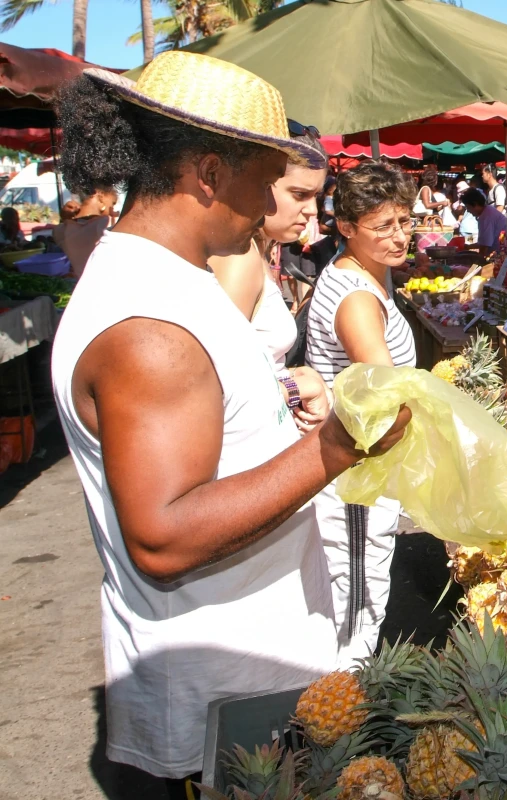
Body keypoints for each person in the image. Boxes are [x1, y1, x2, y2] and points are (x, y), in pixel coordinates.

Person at [50, 51, 410, 792]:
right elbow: (163, 536)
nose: (273, 201)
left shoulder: (176, 284)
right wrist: (335, 448)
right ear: (210, 174)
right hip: (222, 698)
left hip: (250, 676)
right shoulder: (151, 325)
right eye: (266, 177)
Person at [306, 161, 418, 663]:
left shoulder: (365, 276)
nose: (400, 236)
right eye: (383, 226)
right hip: (355, 481)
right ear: (347, 227)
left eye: (405, 221)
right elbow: (384, 393)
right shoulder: (356, 299)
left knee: (362, 589)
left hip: (365, 472)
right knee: (356, 599)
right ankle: (342, 694)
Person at [211, 121, 328, 384]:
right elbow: (219, 381)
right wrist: (294, 389)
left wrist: (291, 376)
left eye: (316, 196)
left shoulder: (254, 252)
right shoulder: (239, 260)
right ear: (262, 183)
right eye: (299, 194)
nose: (312, 210)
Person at [52, 186, 117, 276]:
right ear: (100, 196)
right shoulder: (106, 223)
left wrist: (65, 219)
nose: (112, 208)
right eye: (113, 203)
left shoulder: (60, 230)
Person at [461, 187, 507, 259]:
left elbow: (484, 246)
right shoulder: (487, 212)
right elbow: (484, 242)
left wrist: (478, 261)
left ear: (475, 204)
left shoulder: (487, 216)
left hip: (506, 258)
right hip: (502, 255)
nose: (468, 211)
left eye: (468, 207)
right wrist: (468, 247)